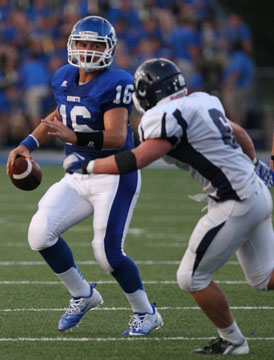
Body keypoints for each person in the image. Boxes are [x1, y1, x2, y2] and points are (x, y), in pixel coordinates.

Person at [61, 58, 274, 355]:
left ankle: (234, 341)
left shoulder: (163, 116)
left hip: (235, 202)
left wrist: (90, 166)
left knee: (191, 277)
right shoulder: (202, 101)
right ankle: (232, 341)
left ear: (146, 94)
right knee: (265, 278)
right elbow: (239, 133)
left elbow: (139, 158)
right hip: (257, 192)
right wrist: (255, 164)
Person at [6, 16, 163, 335]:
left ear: (109, 49)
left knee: (107, 254)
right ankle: (82, 294)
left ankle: (146, 313)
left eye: (95, 45)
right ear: (72, 45)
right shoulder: (64, 77)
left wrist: (75, 137)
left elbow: (117, 137)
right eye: (83, 44)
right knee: (39, 233)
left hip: (114, 173)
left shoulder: (116, 81)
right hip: (78, 173)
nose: (88, 51)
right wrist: (27, 144)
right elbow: (59, 114)